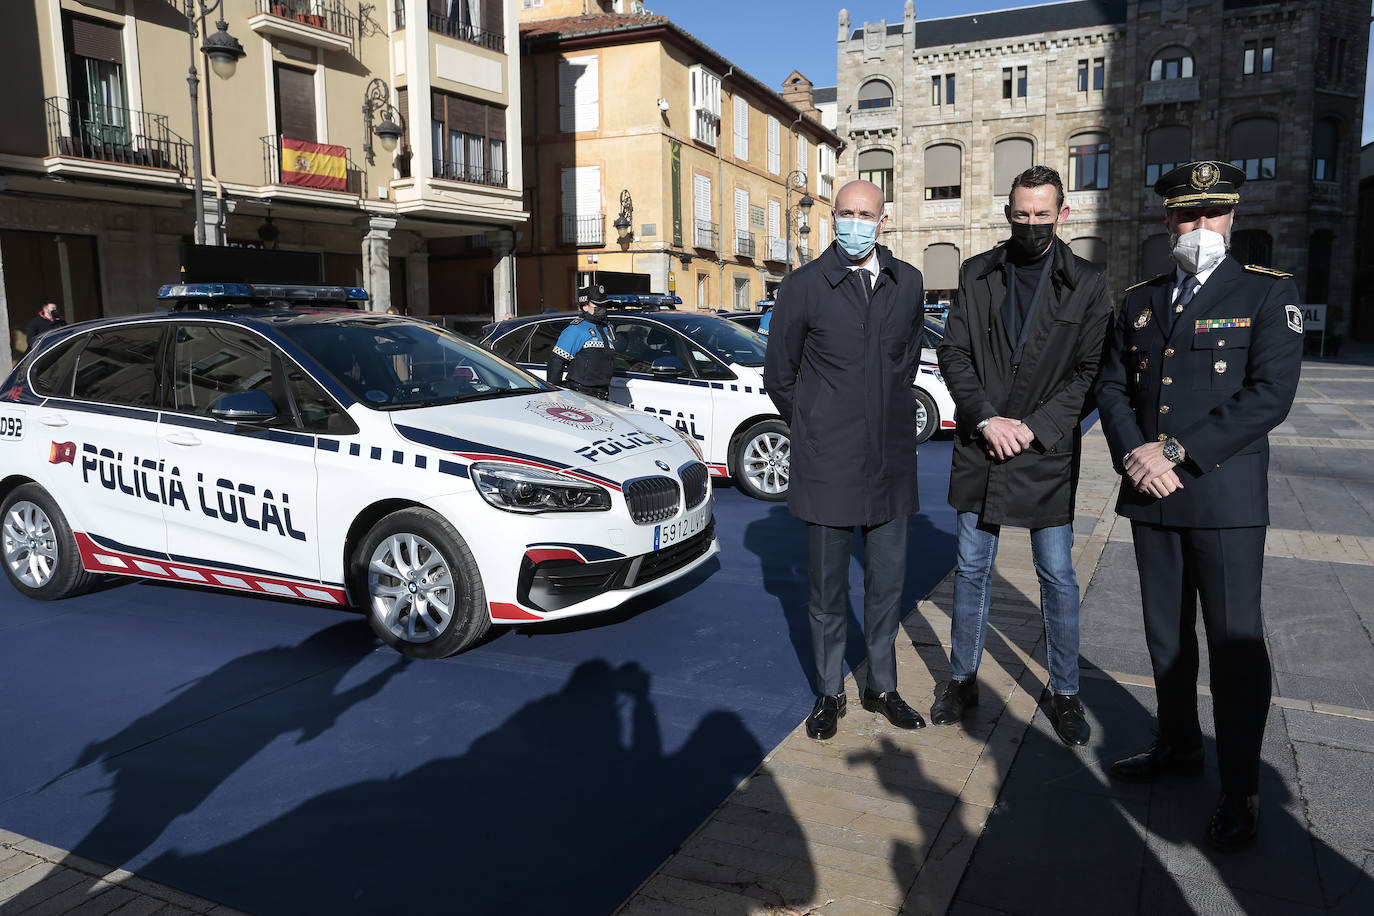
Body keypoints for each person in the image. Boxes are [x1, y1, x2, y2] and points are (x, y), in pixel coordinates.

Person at [1094, 160, 1303, 851]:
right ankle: (1178, 745)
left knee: (1234, 646)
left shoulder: (1268, 294)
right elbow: (1113, 386)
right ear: (1167, 221)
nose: (1199, 228)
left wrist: (1173, 453)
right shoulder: (1141, 299)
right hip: (1152, 495)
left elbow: (1269, 395)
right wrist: (1135, 455)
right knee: (1165, 639)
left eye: (1212, 215)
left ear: (1233, 218)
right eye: (1186, 215)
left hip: (1222, 496)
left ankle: (1240, 786)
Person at [932, 166, 1113, 746]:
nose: (1031, 224)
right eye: (1021, 214)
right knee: (972, 571)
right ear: (1007, 212)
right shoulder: (976, 273)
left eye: (1042, 214)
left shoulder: (1088, 283)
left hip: (1044, 451)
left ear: (1063, 214)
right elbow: (954, 353)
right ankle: (962, 680)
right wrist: (986, 418)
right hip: (982, 445)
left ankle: (1065, 692)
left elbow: (1089, 373)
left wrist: (1031, 428)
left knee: (1057, 575)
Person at [764, 179, 927, 740]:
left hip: (890, 463)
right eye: (846, 213)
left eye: (866, 213)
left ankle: (882, 686)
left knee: (886, 588)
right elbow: (779, 375)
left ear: (885, 219)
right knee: (827, 593)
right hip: (827, 463)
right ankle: (830, 692)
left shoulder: (908, 282)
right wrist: (816, 423)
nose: (855, 222)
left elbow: (906, 360)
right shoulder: (804, 286)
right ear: (834, 217)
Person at [547, 284, 615, 400]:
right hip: (580, 396)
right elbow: (556, 362)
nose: (602, 307)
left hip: (602, 395)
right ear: (584, 306)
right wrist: (555, 396)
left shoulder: (606, 328)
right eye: (598, 305)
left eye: (604, 304)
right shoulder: (576, 329)